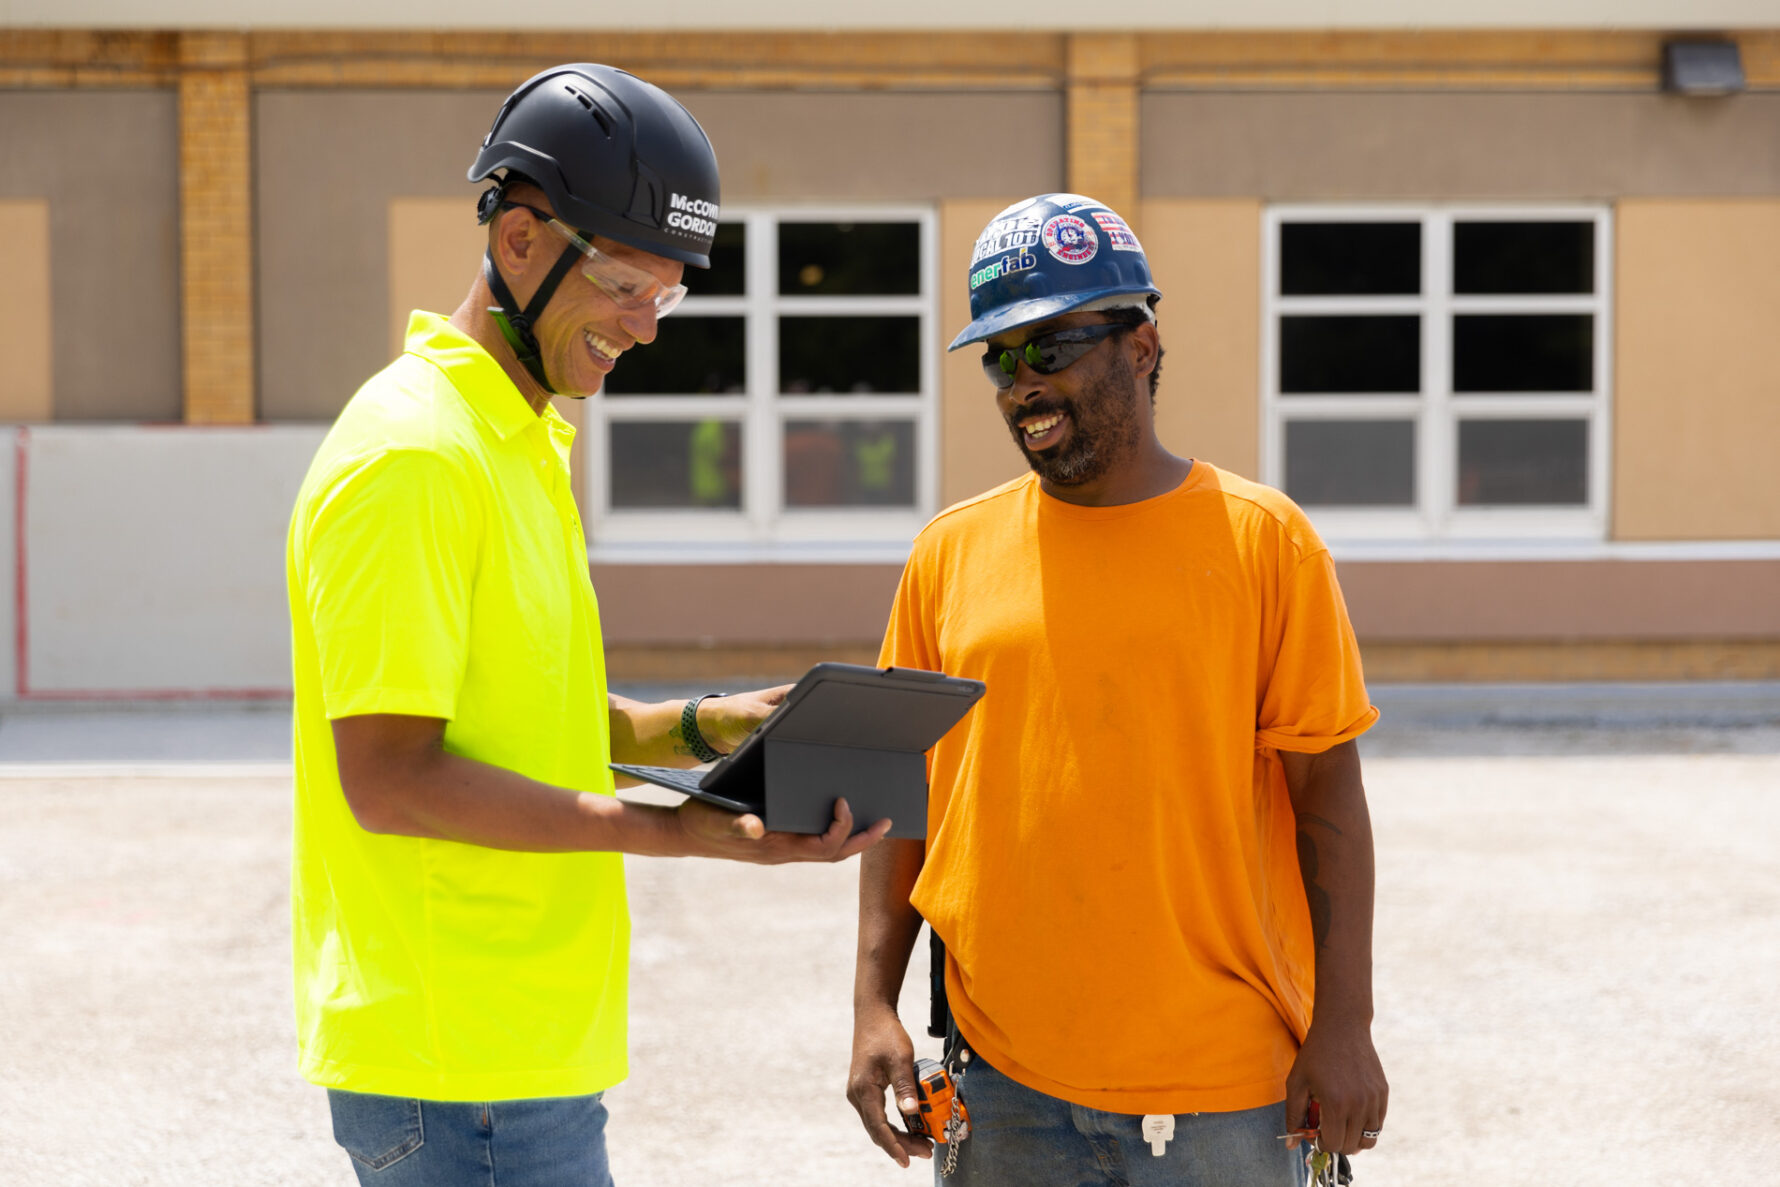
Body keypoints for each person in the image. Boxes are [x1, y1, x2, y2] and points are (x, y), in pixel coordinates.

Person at [286, 64, 886, 1187]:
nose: (645, 328)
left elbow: (525, 717)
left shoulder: (517, 441)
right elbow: (391, 772)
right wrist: (668, 831)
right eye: (623, 286)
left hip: (519, 1051)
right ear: (519, 240)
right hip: (456, 1063)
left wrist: (709, 726)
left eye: (666, 297)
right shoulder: (416, 456)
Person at [846, 193, 1388, 1186]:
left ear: (1139, 344)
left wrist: (1344, 1025)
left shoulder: (1266, 543)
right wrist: (871, 1002)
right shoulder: (948, 553)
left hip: (1226, 1088)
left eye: (1050, 347)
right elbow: (898, 791)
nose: (1021, 383)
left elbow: (1328, 805)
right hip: (1001, 1080)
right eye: (999, 358)